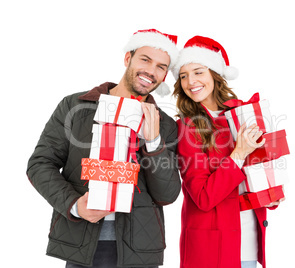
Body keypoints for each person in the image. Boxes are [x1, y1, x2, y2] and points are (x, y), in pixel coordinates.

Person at [26, 29, 181, 268]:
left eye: (161, 67)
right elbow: (40, 164)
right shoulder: (74, 106)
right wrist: (74, 205)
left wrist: (153, 142)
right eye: (145, 59)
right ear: (128, 59)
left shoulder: (165, 125)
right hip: (81, 243)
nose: (151, 71)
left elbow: (167, 194)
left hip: (138, 250)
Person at [172, 36, 280, 268]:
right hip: (210, 251)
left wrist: (271, 194)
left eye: (198, 72)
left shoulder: (244, 114)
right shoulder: (188, 127)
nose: (190, 81)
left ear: (214, 73)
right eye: (183, 76)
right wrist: (238, 154)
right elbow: (202, 197)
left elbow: (259, 172)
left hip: (248, 244)